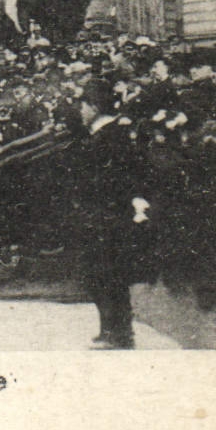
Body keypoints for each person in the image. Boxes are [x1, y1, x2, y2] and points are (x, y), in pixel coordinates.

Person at [69, 81, 155, 349]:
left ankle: (115, 333)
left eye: (83, 105)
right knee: (108, 276)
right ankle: (115, 330)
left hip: (104, 217)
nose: (80, 111)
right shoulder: (112, 134)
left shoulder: (107, 138)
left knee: (104, 275)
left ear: (94, 107)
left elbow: (109, 180)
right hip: (107, 215)